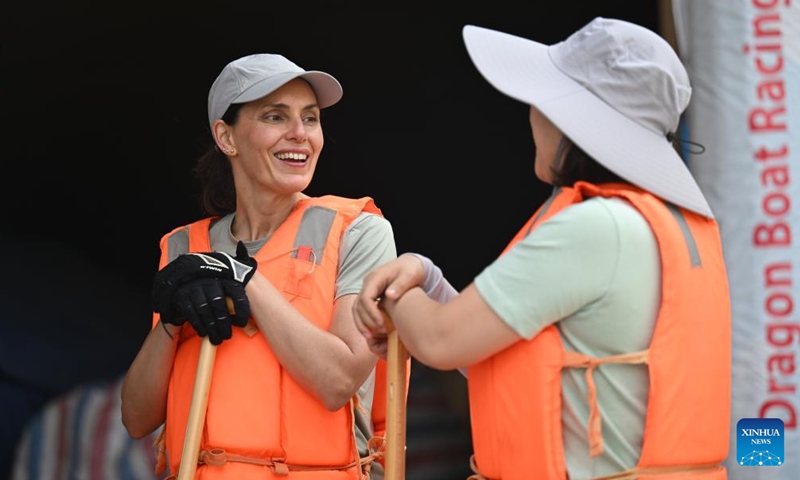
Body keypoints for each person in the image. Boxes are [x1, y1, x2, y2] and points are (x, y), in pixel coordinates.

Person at [352, 17, 732, 480]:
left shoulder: (596, 227)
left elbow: (440, 340)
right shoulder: (667, 225)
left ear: (572, 118)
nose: (531, 113)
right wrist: (427, 281)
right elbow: (481, 346)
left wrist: (393, 294)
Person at [121, 53, 401, 480]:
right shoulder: (183, 248)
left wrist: (242, 280)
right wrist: (170, 324)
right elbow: (137, 419)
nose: (300, 134)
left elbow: (338, 380)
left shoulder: (358, 231)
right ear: (226, 137)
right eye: (275, 116)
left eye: (310, 118)